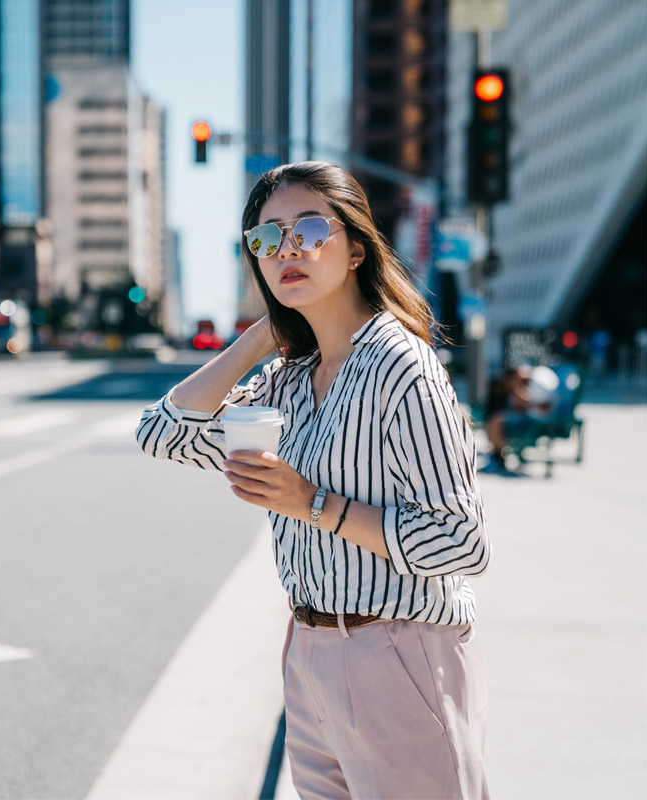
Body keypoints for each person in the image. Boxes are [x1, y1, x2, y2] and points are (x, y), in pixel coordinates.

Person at [136, 162, 490, 798]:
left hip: (397, 651)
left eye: (307, 227)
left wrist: (312, 502)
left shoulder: (399, 365)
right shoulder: (289, 381)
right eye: (266, 238)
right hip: (309, 654)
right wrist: (253, 344)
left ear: (356, 248)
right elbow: (163, 433)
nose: (286, 249)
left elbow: (461, 542)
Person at [481, 364, 551, 474]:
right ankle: (496, 456)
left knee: (496, 421)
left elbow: (542, 406)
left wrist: (522, 397)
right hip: (533, 419)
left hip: (535, 421)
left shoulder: (535, 383)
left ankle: (497, 457)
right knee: (495, 419)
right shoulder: (532, 380)